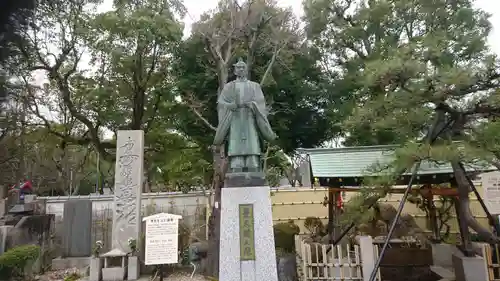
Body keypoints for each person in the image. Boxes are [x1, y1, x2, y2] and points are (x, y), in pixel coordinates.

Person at [213, 58, 277, 173]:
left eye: (243, 67)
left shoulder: (255, 86)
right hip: (235, 118)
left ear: (246, 70)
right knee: (235, 142)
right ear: (235, 70)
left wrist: (253, 105)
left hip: (250, 118)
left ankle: (252, 161)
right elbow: (221, 102)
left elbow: (261, 103)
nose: (241, 69)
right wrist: (230, 105)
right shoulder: (229, 86)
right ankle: (237, 162)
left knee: (252, 139)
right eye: (238, 67)